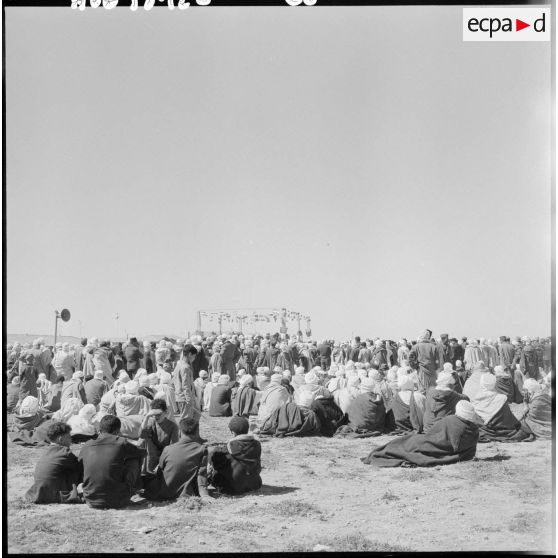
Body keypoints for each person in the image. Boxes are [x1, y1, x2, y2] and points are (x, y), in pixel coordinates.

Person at [361, 400, 481, 467]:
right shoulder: (474, 430)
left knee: (405, 443)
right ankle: (382, 452)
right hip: (444, 448)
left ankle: (379, 453)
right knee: (407, 443)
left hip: (433, 444)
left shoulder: (451, 420)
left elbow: (432, 434)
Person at [79, 415, 147, 509]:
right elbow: (143, 452)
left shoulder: (87, 445)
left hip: (90, 499)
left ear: (100, 429)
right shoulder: (121, 442)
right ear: (117, 431)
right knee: (134, 458)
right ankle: (135, 489)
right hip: (118, 500)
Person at [142, 416, 209, 501]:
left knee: (146, 477)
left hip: (163, 492)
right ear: (197, 432)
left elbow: (160, 471)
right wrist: (205, 495)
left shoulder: (167, 449)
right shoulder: (202, 449)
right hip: (187, 493)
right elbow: (202, 475)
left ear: (179, 432)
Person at [25, 422, 84, 504]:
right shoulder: (64, 452)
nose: (71, 440)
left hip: (39, 493)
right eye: (69, 437)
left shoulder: (47, 450)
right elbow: (80, 467)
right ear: (60, 439)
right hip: (53, 494)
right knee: (78, 469)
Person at [208, 416, 262, 495]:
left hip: (232, 488)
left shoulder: (229, 448)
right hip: (254, 484)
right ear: (247, 429)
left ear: (233, 432)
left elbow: (212, 459)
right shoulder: (257, 445)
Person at [472, 373, 533, 442]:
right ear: (494, 384)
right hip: (501, 429)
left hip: (483, 429)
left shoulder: (475, 400)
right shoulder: (502, 398)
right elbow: (509, 419)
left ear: (481, 383)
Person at [139, 399, 179, 474]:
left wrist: (162, 460)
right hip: (151, 455)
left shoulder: (172, 426)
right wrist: (147, 416)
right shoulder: (151, 422)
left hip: (166, 455)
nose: (156, 417)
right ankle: (146, 471)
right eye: (154, 415)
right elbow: (141, 435)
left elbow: (173, 446)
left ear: (165, 412)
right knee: (143, 440)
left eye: (159, 414)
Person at [174, 344, 198, 419]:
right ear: (190, 354)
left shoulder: (179, 365)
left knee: (191, 418)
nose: (194, 358)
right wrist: (189, 399)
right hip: (185, 398)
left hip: (181, 396)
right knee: (186, 420)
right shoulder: (185, 367)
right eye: (194, 356)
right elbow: (186, 385)